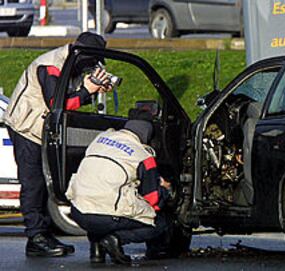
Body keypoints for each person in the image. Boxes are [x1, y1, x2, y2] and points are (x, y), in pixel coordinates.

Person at [4, 32, 112, 257]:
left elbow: (69, 96)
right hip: (26, 128)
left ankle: (42, 233)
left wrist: (91, 90)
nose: (92, 66)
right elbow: (57, 104)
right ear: (83, 53)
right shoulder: (50, 65)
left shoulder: (71, 62)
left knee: (45, 183)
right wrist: (86, 92)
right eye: (92, 62)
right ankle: (36, 237)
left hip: (42, 129)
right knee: (33, 183)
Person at [66, 109, 172, 265]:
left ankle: (96, 249)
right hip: (106, 217)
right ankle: (115, 240)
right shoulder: (144, 155)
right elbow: (152, 198)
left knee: (98, 196)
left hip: (78, 211)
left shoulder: (101, 138)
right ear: (148, 133)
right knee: (160, 223)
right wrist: (164, 188)